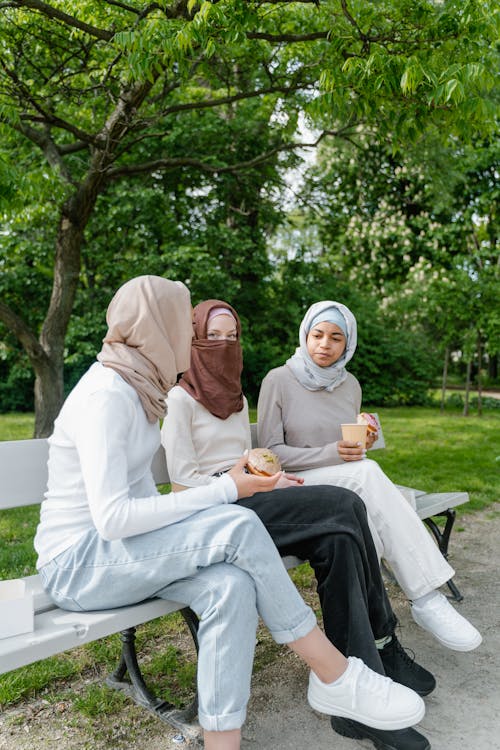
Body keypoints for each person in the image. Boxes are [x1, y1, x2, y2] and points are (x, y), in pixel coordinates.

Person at [33, 277, 425, 750]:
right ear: (157, 327)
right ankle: (334, 674)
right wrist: (226, 491)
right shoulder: (107, 396)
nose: (191, 341)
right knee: (239, 524)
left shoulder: (138, 391)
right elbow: (114, 519)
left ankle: (223, 743)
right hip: (78, 563)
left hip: (120, 554)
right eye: (184, 326)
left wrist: (229, 489)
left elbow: (144, 505)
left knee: (231, 585)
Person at [162, 298, 434, 750]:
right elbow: (182, 486)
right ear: (193, 340)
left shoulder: (235, 396)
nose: (223, 345)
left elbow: (247, 458)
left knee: (340, 539)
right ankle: (381, 646)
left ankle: (359, 692)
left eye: (232, 336)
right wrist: (240, 482)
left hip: (254, 500)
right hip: (215, 516)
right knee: (345, 504)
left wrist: (265, 473)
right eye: (213, 337)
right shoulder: (178, 399)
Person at [257, 299, 482, 656]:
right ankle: (425, 598)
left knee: (370, 513)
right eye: (317, 335)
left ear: (348, 345)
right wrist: (334, 453)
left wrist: (367, 438)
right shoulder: (278, 380)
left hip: (346, 484)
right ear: (305, 334)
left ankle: (377, 639)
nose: (324, 344)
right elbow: (271, 455)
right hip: (297, 487)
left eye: (335, 338)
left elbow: (352, 447)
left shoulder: (350, 385)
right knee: (368, 478)